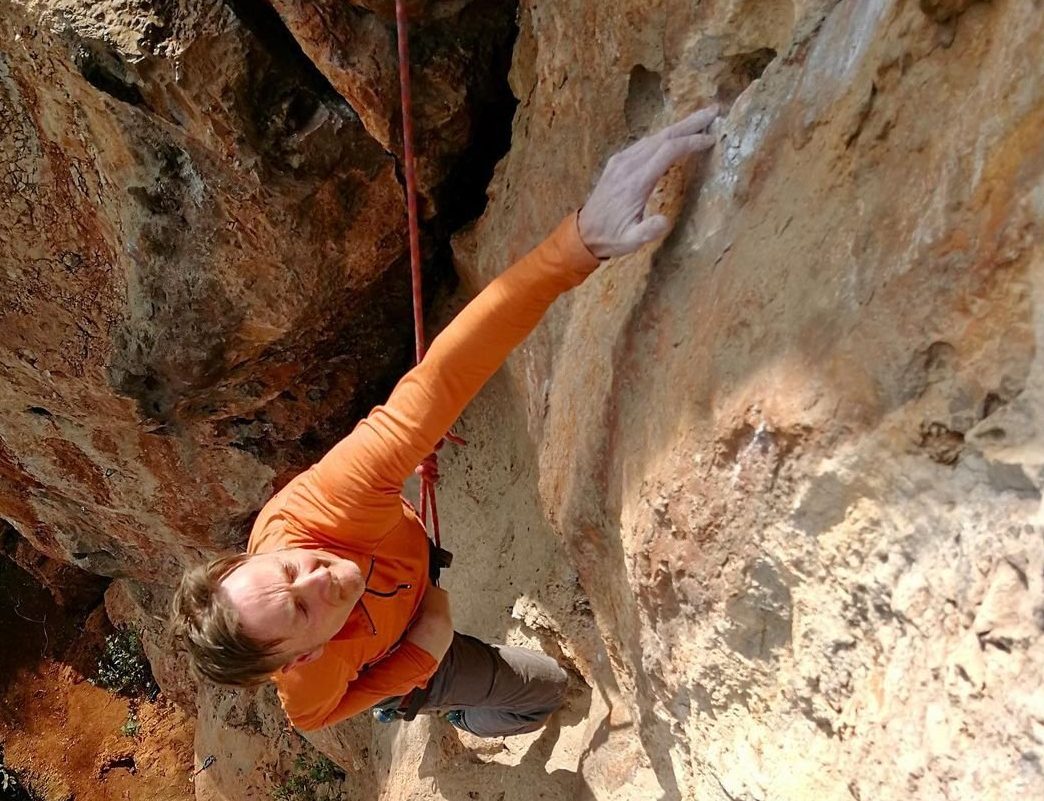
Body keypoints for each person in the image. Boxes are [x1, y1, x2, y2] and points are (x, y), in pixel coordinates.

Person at [171, 105, 719, 736]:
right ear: (305, 654)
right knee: (543, 689)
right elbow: (317, 716)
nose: (320, 573)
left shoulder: (320, 517)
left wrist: (577, 244)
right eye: (300, 607)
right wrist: (419, 658)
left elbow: (433, 388)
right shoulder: (308, 683)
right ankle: (461, 711)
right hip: (407, 643)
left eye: (290, 568)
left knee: (528, 679)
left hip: (407, 573)